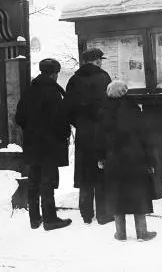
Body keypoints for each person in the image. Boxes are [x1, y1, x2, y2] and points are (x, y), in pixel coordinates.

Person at [95, 80, 158, 242]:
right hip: (135, 158)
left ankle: (121, 233)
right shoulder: (134, 109)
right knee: (138, 193)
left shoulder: (104, 111)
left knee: (117, 194)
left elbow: (99, 139)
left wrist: (101, 158)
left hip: (113, 159)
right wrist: (150, 160)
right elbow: (145, 137)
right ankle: (142, 233)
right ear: (124, 92)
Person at [15, 58, 72, 231]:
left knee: (33, 181)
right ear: (54, 73)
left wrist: (31, 130)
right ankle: (50, 219)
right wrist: (64, 135)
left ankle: (34, 218)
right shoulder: (53, 93)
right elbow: (61, 120)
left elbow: (19, 118)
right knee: (47, 182)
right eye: (57, 73)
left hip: (32, 144)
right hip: (49, 145)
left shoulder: (29, 91)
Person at [64, 47, 113, 225]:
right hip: (101, 131)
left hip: (83, 133)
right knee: (101, 171)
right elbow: (110, 105)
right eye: (100, 59)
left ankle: (86, 214)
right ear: (96, 60)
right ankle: (103, 214)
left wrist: (80, 124)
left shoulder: (74, 80)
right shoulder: (103, 77)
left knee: (85, 173)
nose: (101, 62)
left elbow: (67, 109)